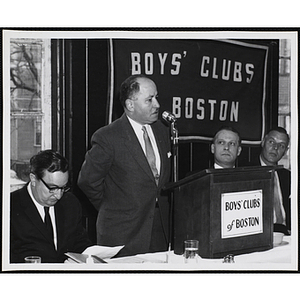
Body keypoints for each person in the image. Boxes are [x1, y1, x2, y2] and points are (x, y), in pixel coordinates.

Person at [78, 74, 171, 257]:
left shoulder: (163, 130)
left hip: (161, 233)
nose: (157, 105)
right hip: (123, 235)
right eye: (149, 100)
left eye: (156, 97)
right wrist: (112, 206)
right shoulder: (108, 137)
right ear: (130, 105)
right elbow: (87, 181)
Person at [10, 150, 93, 263]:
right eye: (52, 188)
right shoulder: (11, 206)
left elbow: (80, 243)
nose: (58, 196)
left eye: (63, 188)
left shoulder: (70, 203)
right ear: (34, 179)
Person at [257, 127, 291, 235]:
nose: (275, 148)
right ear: (263, 142)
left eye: (281, 146)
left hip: (287, 234)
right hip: (260, 234)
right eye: (271, 142)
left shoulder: (288, 176)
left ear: (285, 151)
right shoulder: (246, 172)